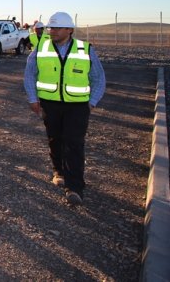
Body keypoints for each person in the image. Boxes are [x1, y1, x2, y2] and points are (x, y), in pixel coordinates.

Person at [23, 11, 106, 206]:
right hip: (50, 104)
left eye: (57, 28)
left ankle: (75, 187)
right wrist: (33, 99)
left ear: (69, 30)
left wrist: (91, 102)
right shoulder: (41, 48)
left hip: (77, 106)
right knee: (55, 139)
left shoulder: (85, 49)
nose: (52, 31)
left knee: (74, 144)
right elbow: (30, 74)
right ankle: (58, 170)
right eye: (51, 28)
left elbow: (98, 78)